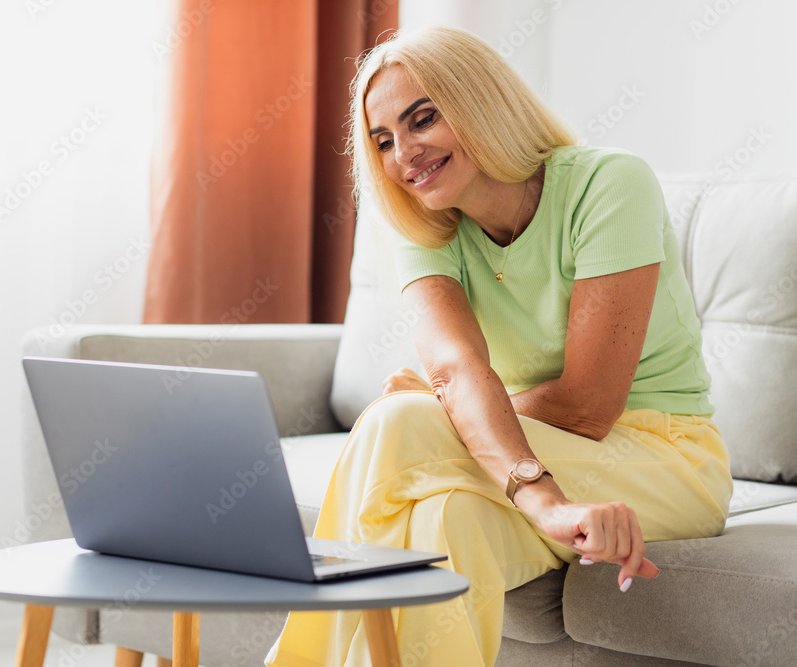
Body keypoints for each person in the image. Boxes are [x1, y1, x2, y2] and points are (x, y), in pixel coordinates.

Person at [266, 26, 732, 667]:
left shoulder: (608, 185)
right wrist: (461, 406)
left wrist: (458, 411)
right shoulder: (425, 219)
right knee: (443, 522)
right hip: (539, 449)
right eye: (383, 141)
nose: (404, 154)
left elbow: (587, 406)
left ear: (479, 100)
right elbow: (456, 371)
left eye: (422, 119)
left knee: (401, 420)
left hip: (668, 457)